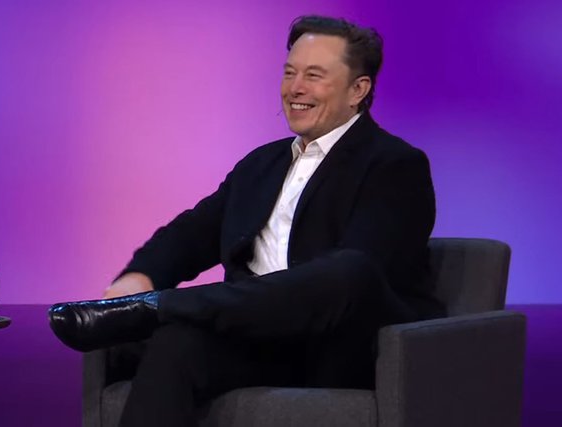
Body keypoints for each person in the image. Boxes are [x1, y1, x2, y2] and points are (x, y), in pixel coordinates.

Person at [49, 15, 444, 427]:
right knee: (177, 342)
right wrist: (140, 276)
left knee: (350, 270)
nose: (295, 88)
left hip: (335, 344)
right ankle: (159, 309)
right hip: (256, 338)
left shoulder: (395, 165)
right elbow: (194, 231)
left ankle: (160, 308)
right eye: (289, 73)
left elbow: (361, 281)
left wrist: (160, 304)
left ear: (357, 90)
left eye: (314, 76)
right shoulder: (261, 164)